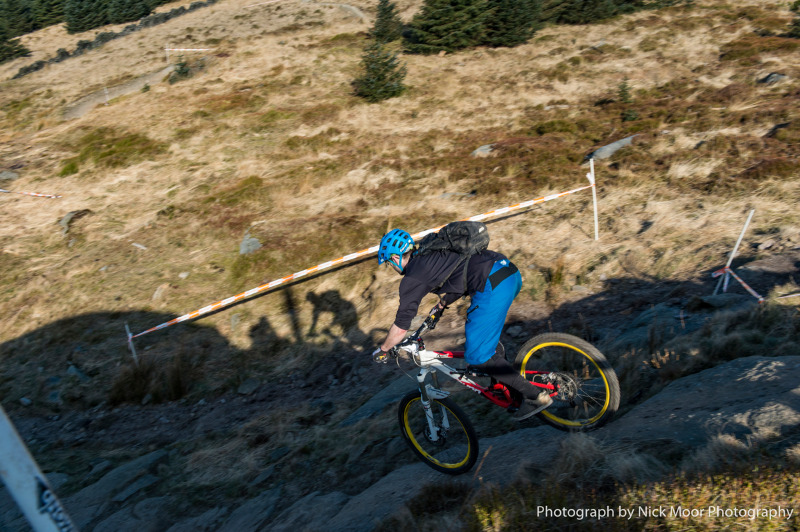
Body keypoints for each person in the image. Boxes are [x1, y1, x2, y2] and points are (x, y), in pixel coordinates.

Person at [372, 228, 552, 420]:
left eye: (390, 262)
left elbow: (401, 326)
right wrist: (442, 304)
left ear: (394, 258)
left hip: (492, 285)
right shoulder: (430, 253)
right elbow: (462, 271)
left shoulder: (412, 277)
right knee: (482, 340)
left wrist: (384, 349)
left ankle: (534, 396)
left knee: (477, 356)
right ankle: (506, 387)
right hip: (508, 272)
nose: (392, 266)